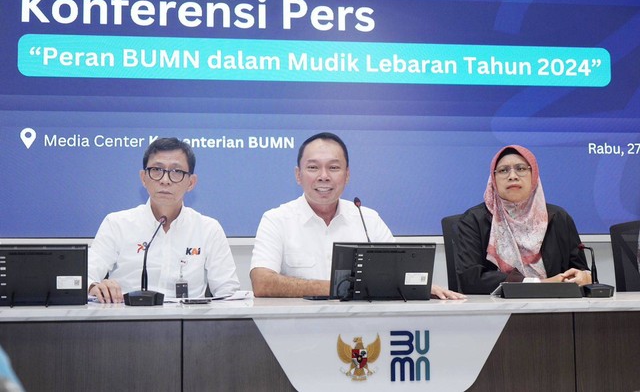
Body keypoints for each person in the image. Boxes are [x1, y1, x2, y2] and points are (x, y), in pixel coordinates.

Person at [250, 132, 465, 300]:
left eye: (333, 167)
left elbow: (400, 274)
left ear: (347, 174)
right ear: (298, 175)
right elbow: (261, 283)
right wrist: (336, 288)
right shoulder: (276, 219)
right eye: (313, 167)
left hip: (362, 332)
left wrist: (420, 288)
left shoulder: (367, 219)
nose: (323, 177)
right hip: (297, 334)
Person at [88, 137, 240, 303]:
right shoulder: (117, 224)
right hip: (127, 321)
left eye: (176, 172)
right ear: (143, 178)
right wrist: (94, 286)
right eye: (157, 170)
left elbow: (229, 293)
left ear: (191, 182)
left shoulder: (208, 229)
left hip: (188, 324)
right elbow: (85, 276)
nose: (165, 180)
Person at [455, 145, 591, 294]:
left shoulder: (558, 218)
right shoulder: (474, 220)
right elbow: (470, 280)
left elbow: (580, 270)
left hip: (556, 306)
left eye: (521, 169)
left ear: (534, 175)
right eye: (503, 170)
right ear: (493, 179)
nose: (512, 176)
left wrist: (584, 276)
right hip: (498, 309)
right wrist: (539, 284)